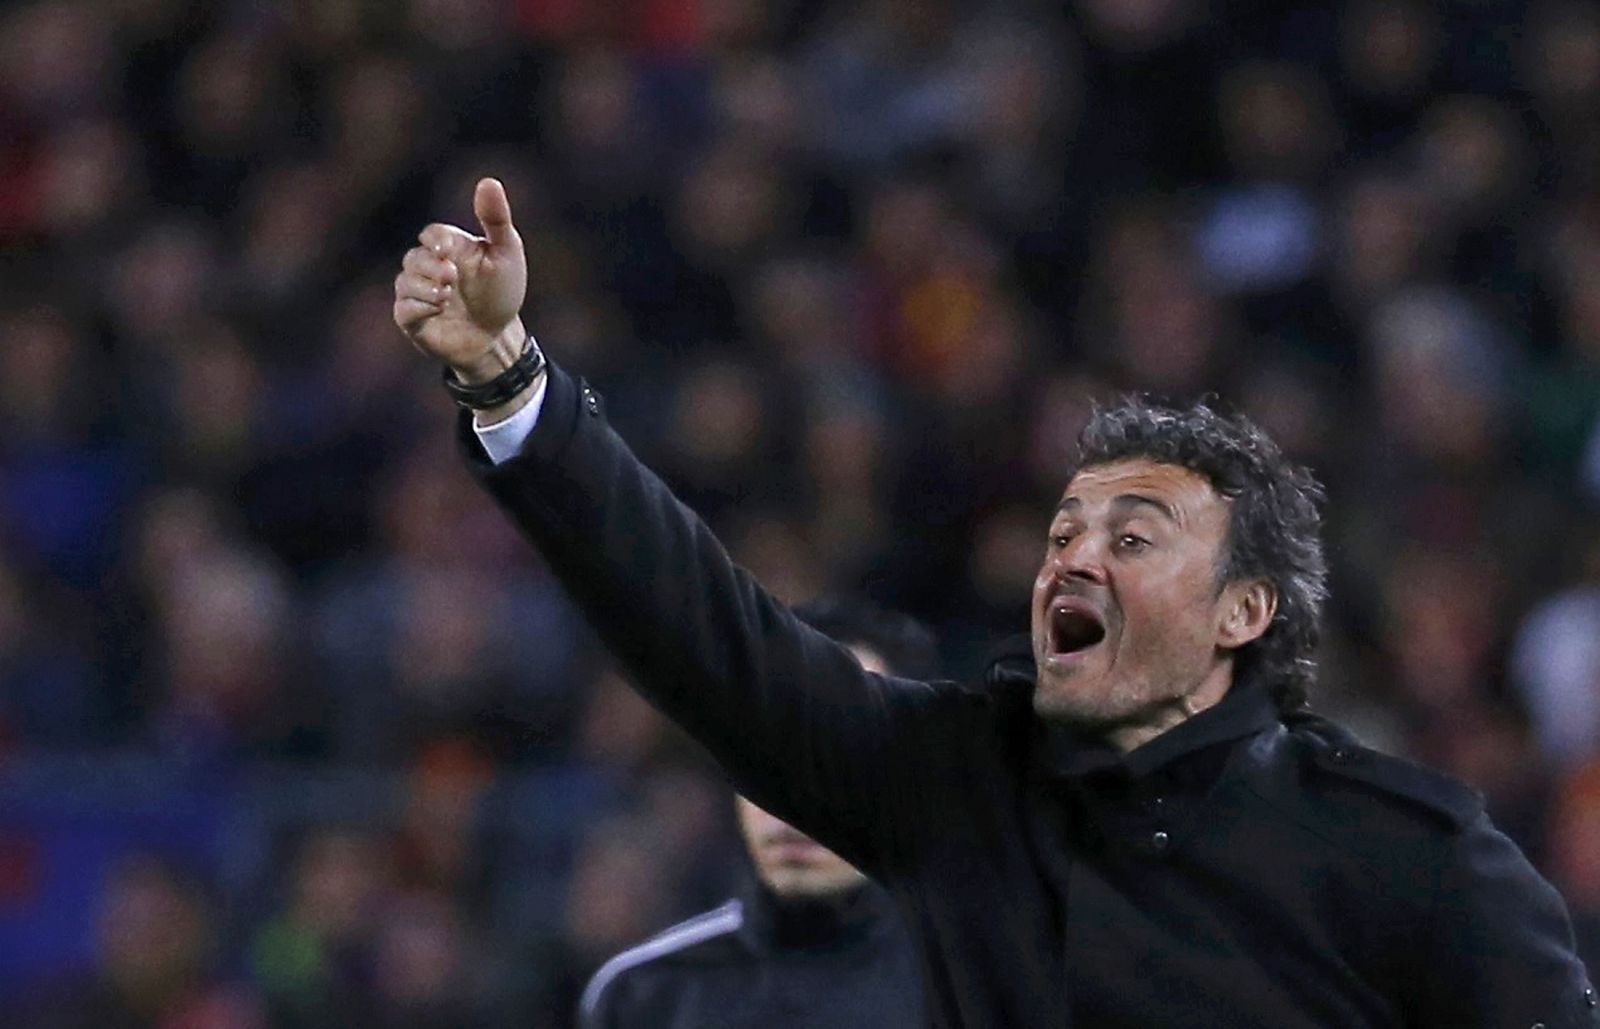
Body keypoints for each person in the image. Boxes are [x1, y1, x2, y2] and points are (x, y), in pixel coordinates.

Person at [392, 178, 1597, 1026]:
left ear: (1243, 614)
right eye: (1063, 530)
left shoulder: (1414, 858)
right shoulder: (955, 782)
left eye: (1134, 535)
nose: (1072, 557)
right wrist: (509, 385)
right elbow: (705, 630)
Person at [578, 596, 933, 1029]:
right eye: (765, 752)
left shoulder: (993, 986)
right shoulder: (640, 998)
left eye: (838, 753)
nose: (792, 800)